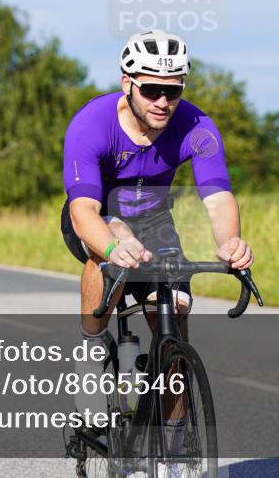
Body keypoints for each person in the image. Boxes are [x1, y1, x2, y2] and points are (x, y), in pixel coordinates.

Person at [60, 29, 254, 471]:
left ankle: (176, 445)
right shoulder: (92, 124)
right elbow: (82, 210)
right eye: (152, 89)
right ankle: (92, 349)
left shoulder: (196, 127)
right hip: (98, 216)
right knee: (105, 253)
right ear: (127, 82)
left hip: (154, 221)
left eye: (173, 90)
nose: (163, 101)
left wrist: (230, 243)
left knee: (174, 320)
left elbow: (218, 197)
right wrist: (112, 245)